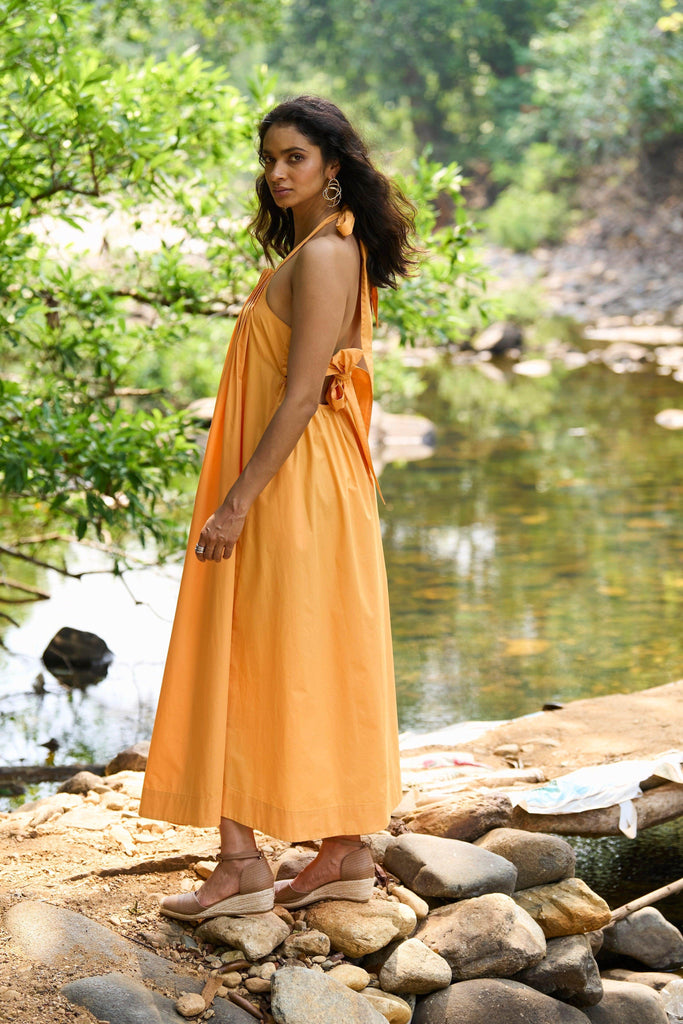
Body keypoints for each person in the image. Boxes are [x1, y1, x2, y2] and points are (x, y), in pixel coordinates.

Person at [138, 95, 418, 920]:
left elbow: (299, 397)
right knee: (301, 653)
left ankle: (242, 864)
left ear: (333, 165)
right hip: (302, 480)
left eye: (294, 156)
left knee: (249, 652)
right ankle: (340, 850)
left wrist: (234, 505)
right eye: (269, 158)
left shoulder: (327, 253)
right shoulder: (316, 249)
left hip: (293, 485)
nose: (276, 172)